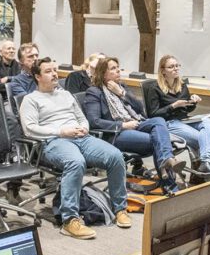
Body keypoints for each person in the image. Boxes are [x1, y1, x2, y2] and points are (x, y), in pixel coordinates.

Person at [20, 58, 129, 240]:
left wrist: (84, 127)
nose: (55, 74)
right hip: (54, 140)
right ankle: (70, 220)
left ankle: (120, 209)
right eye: (48, 71)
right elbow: (30, 128)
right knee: (75, 162)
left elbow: (81, 117)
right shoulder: (30, 100)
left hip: (81, 136)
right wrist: (61, 131)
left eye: (55, 70)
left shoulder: (66, 94)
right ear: (38, 76)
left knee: (115, 156)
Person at [82, 57, 183, 191]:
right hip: (117, 133)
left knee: (159, 121)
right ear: (103, 73)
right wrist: (122, 125)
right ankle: (170, 185)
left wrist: (121, 93)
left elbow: (140, 109)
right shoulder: (95, 92)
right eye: (113, 68)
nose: (118, 70)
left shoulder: (121, 87)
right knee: (158, 139)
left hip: (136, 123)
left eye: (118, 67)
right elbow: (94, 122)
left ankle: (166, 161)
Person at [144, 55, 210, 174]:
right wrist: (173, 106)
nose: (176, 69)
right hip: (168, 123)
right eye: (171, 67)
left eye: (177, 66)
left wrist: (193, 101)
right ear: (163, 71)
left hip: (184, 120)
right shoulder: (154, 88)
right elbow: (153, 114)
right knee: (206, 138)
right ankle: (206, 167)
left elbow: (187, 109)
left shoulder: (182, 85)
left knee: (209, 122)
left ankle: (205, 164)